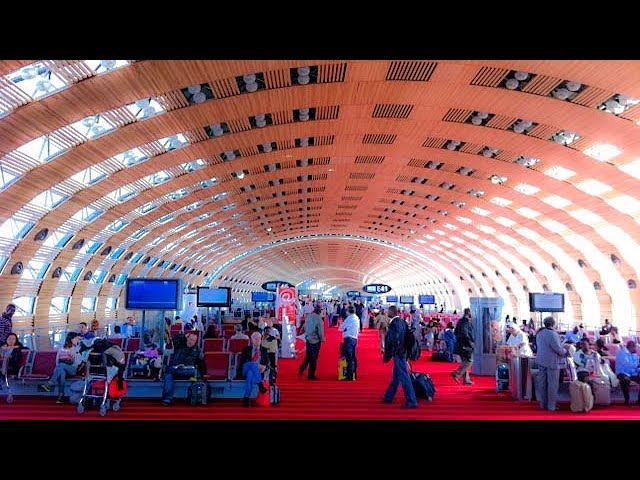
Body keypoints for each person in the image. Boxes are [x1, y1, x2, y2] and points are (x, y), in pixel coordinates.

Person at [381, 305, 418, 408]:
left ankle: (411, 400)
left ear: (392, 312)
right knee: (396, 376)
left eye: (389, 311)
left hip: (399, 353)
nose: (387, 312)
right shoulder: (402, 322)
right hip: (403, 351)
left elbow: (394, 339)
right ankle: (389, 396)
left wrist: (390, 351)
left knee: (404, 376)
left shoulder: (394, 324)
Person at [535, 316, 570, 412]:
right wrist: (565, 351)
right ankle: (551, 406)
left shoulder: (539, 333)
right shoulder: (553, 334)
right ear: (553, 324)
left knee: (542, 383)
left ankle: (543, 404)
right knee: (552, 384)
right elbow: (558, 349)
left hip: (541, 360)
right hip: (552, 362)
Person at [38, 332, 84, 404]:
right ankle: (61, 396)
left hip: (73, 369)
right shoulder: (61, 349)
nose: (78, 340)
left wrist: (72, 357)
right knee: (61, 371)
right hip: (62, 368)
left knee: (61, 366)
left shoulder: (77, 348)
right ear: (71, 339)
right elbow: (57, 362)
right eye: (76, 339)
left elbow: (79, 362)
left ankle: (50, 383)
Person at [161, 332, 204, 406]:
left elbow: (201, 364)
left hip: (189, 371)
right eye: (190, 339)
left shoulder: (197, 350)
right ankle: (167, 398)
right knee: (168, 374)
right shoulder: (179, 345)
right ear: (187, 339)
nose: (192, 342)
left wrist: (202, 374)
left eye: (194, 340)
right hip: (176, 369)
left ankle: (194, 396)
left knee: (170, 370)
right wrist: (183, 336)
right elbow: (174, 338)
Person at [239, 332, 269, 407]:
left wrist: (264, 366)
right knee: (252, 364)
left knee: (250, 374)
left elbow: (267, 362)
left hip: (257, 372)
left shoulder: (264, 350)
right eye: (256, 339)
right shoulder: (246, 349)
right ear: (252, 340)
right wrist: (256, 365)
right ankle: (260, 385)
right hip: (245, 369)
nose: (258, 340)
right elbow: (243, 361)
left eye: (259, 339)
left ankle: (246, 398)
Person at [298, 304, 325, 380]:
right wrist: (322, 339)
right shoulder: (319, 320)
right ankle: (311, 374)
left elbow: (305, 326)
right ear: (320, 312)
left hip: (308, 338)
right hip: (315, 340)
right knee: (314, 358)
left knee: (308, 355)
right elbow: (320, 332)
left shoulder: (309, 316)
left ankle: (302, 368)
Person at [452, 308, 474, 385]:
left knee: (464, 360)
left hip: (459, 344)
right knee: (469, 361)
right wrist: (469, 343)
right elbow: (465, 333)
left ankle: (466, 379)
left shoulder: (460, 321)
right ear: (468, 313)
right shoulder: (466, 322)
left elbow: (456, 332)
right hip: (465, 344)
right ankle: (457, 373)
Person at [615, 340, 640, 406]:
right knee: (625, 380)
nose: (635, 349)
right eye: (634, 348)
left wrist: (638, 369)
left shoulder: (634, 354)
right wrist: (637, 366)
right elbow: (627, 364)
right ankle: (627, 400)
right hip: (622, 373)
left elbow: (636, 364)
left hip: (632, 373)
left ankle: (639, 400)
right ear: (630, 347)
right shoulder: (622, 353)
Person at [339, 306, 360, 380]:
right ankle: (354, 373)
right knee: (353, 357)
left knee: (349, 358)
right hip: (354, 338)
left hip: (348, 339)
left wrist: (345, 329)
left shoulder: (349, 318)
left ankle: (350, 375)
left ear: (348, 311)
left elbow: (341, 328)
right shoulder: (357, 318)